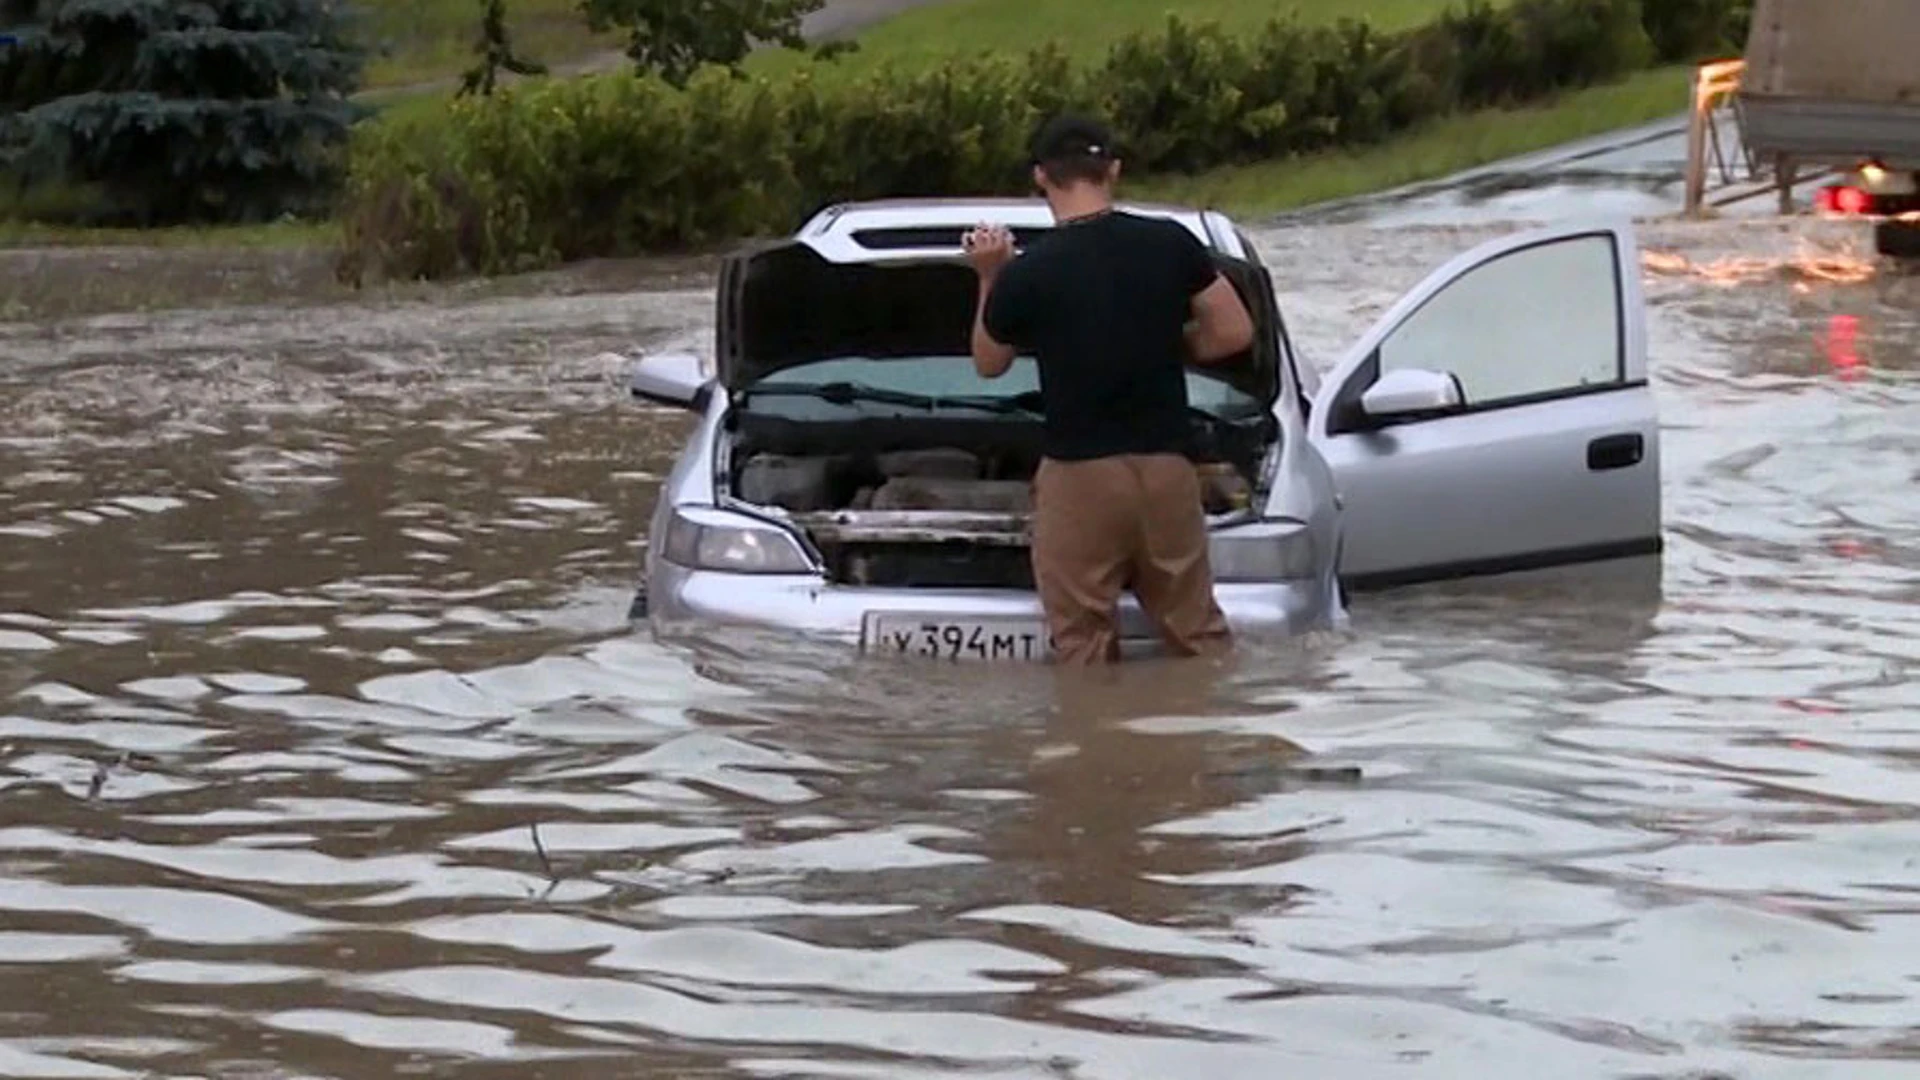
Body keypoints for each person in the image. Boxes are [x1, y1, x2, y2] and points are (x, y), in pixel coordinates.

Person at [962, 112, 1257, 666]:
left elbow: (988, 362)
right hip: (1167, 471)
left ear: (1041, 177)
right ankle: (1218, 743)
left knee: (1084, 647)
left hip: (1080, 476)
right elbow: (1235, 330)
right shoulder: (1170, 243)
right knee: (1199, 636)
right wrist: (1168, 347)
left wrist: (989, 274)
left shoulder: (1031, 272)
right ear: (1113, 170)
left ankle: (1099, 748)